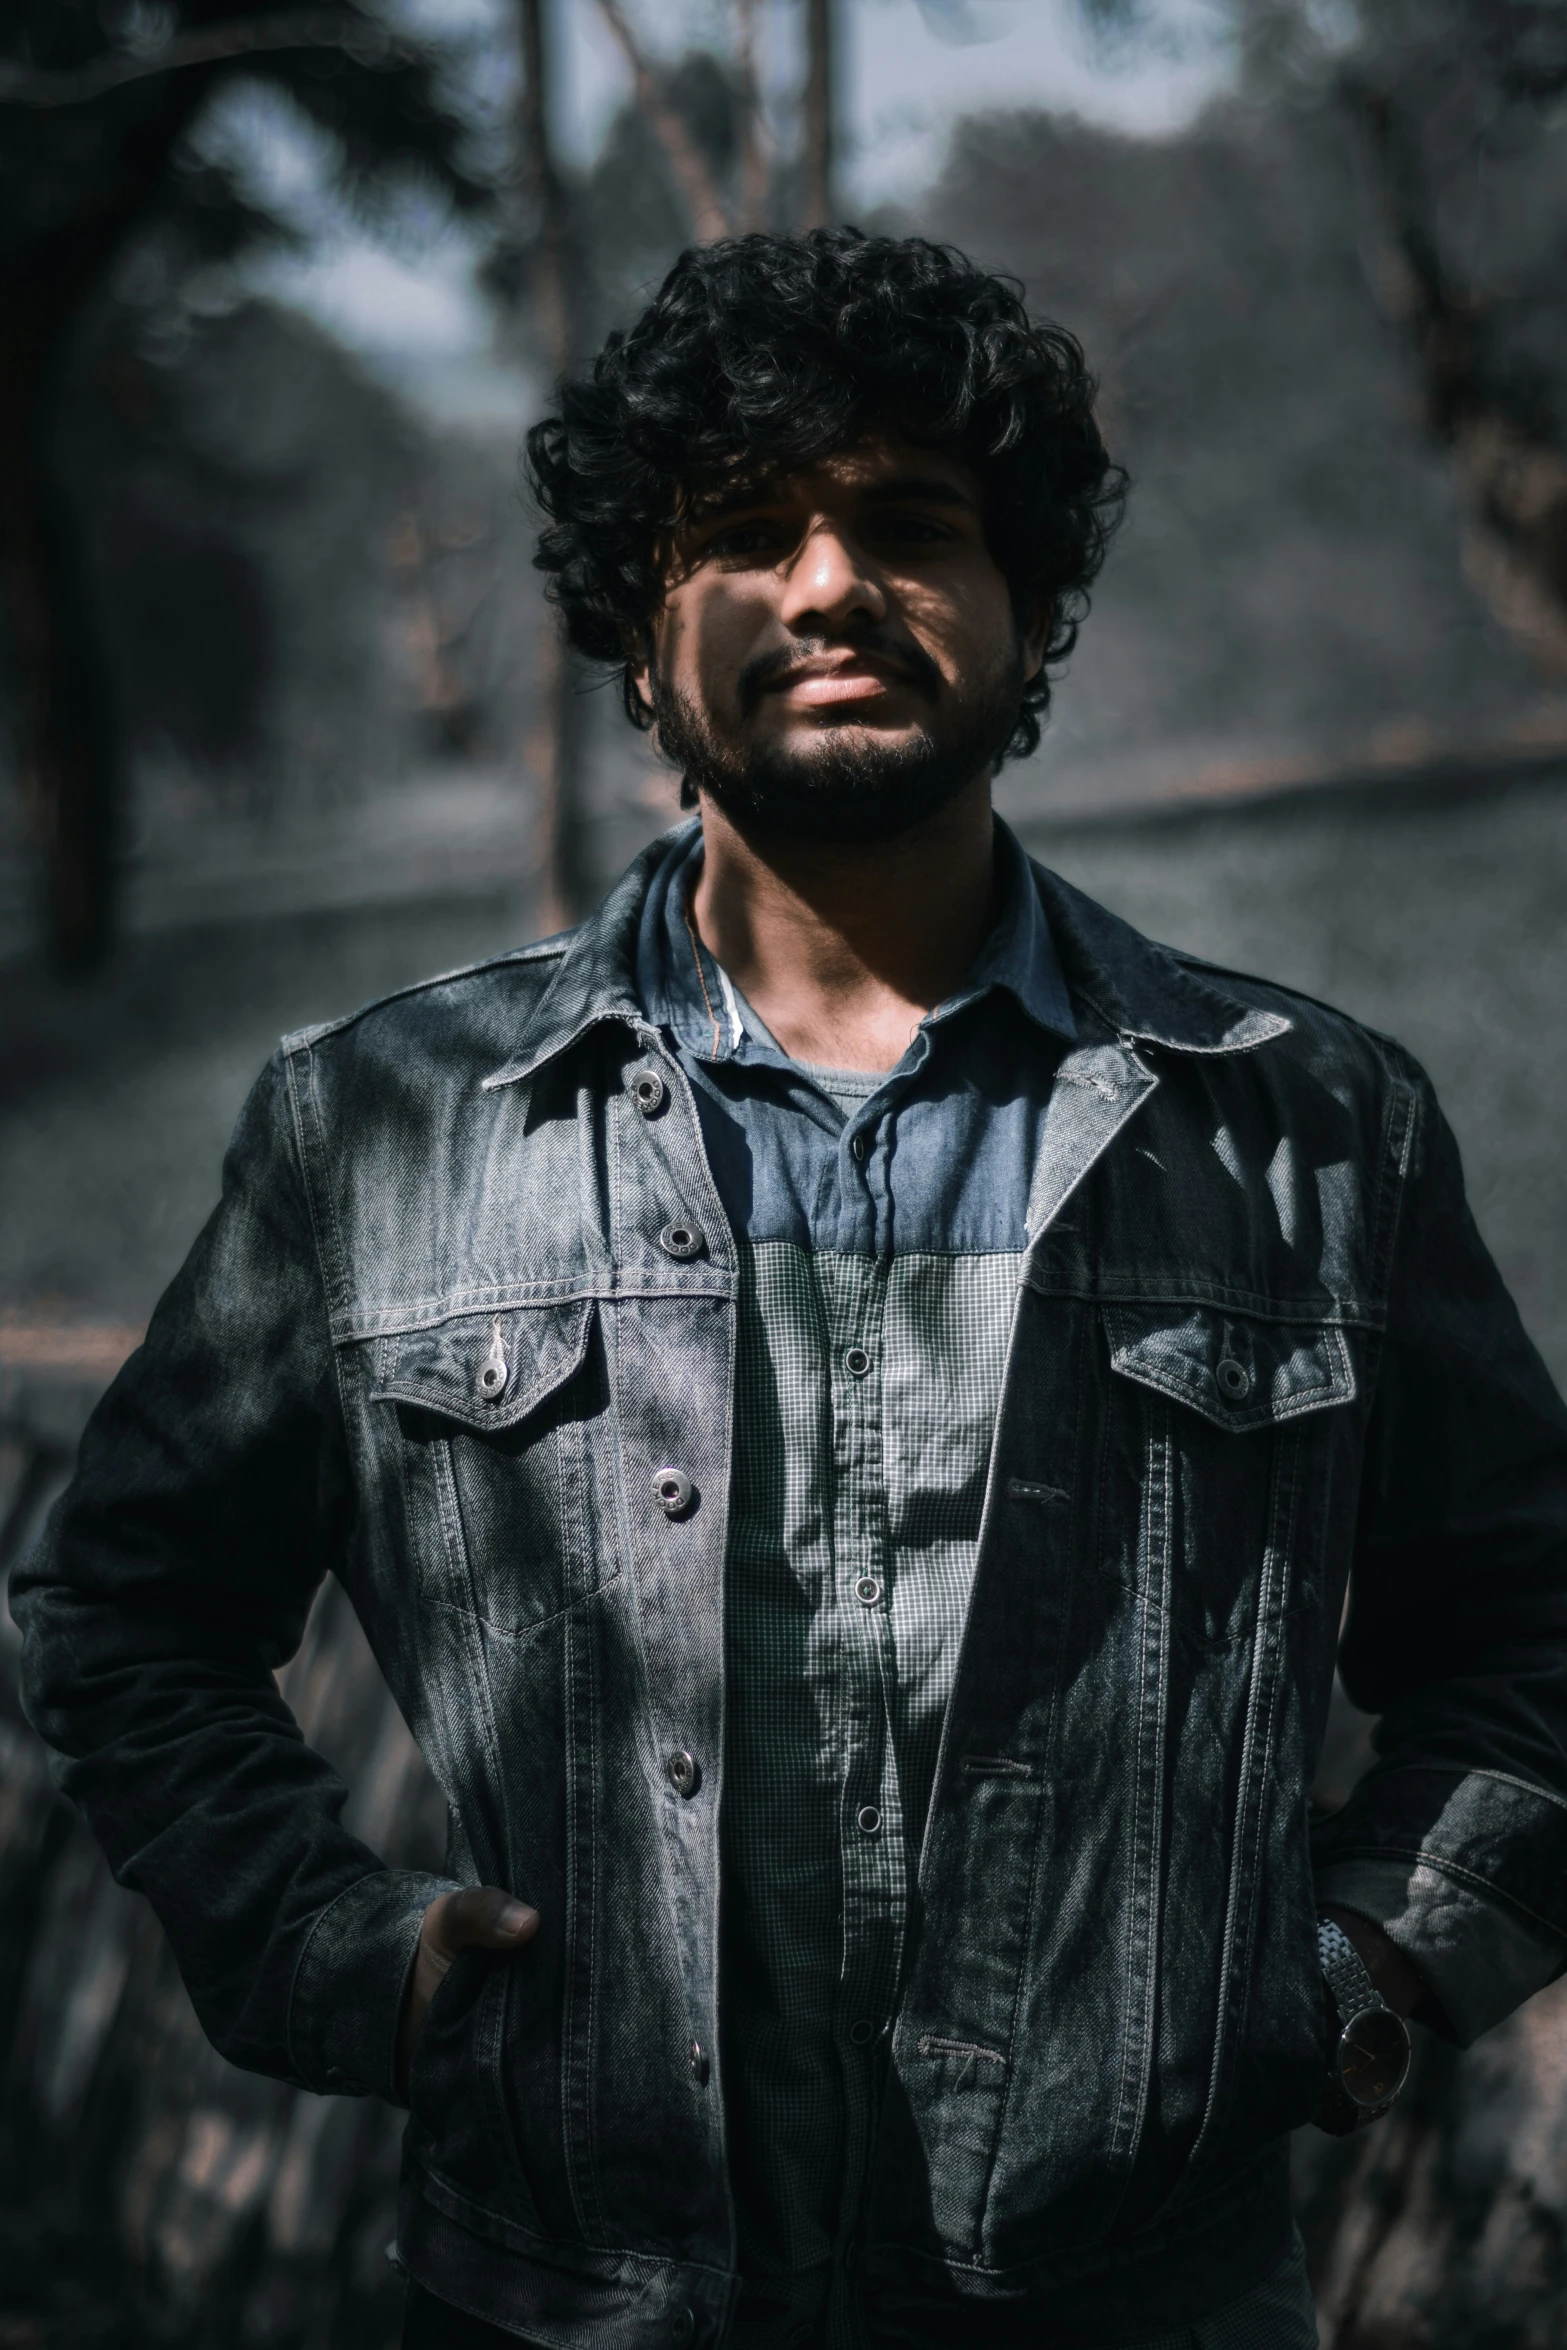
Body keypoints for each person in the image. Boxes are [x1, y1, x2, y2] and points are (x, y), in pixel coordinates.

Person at [16, 228, 1567, 2350]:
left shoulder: (1305, 1129)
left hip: (1150, 2301)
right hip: (567, 2303)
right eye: (748, 533)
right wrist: (328, 1943)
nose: (832, 585)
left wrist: (1379, 1963)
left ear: (1029, 621)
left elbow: (1535, 1630)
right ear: (644, 648)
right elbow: (117, 1606)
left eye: (913, 526)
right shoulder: (379, 1128)